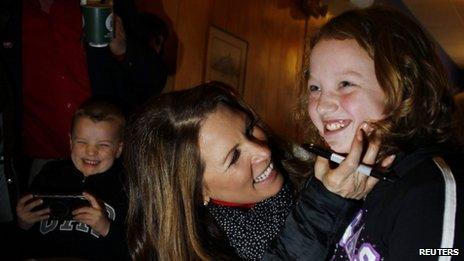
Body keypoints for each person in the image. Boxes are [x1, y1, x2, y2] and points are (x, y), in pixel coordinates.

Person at [273, 6, 463, 260]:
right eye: (315, 87)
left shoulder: (431, 190)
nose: (322, 105)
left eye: (346, 84)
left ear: (403, 87)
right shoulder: (336, 180)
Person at [124, 81, 392, 260]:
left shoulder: (306, 170)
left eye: (249, 128)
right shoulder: (202, 251)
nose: (263, 152)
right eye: (234, 157)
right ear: (196, 193)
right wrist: (326, 204)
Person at [15, 99, 129, 260]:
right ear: (70, 142)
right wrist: (23, 224)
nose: (91, 151)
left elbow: (137, 250)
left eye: (103, 145)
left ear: (118, 149)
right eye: (82, 142)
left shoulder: (126, 186)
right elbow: (23, 243)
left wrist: (106, 228)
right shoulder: (49, 175)